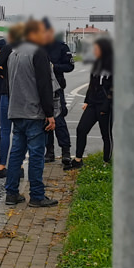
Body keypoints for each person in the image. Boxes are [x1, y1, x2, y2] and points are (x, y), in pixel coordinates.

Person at [3, 19, 58, 208]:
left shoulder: (13, 54)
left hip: (16, 111)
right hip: (34, 112)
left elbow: (9, 84)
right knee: (36, 155)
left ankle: (11, 194)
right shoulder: (38, 53)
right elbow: (45, 85)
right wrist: (49, 113)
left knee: (16, 153)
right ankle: (37, 196)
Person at [65, 37, 114, 170]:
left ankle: (106, 161)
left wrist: (107, 104)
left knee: (106, 134)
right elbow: (92, 84)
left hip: (106, 105)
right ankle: (78, 160)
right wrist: (87, 101)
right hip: (93, 104)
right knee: (81, 129)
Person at [0, 23, 25, 180]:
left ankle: (2, 166)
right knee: (20, 132)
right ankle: (20, 166)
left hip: (7, 93)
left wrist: (4, 73)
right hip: (23, 95)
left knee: (5, 131)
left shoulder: (9, 48)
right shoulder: (33, 50)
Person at [42, 18, 74, 164]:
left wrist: (55, 67)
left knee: (59, 120)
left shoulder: (61, 46)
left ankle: (65, 151)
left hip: (57, 88)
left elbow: (70, 66)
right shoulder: (38, 47)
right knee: (45, 121)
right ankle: (49, 151)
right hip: (42, 89)